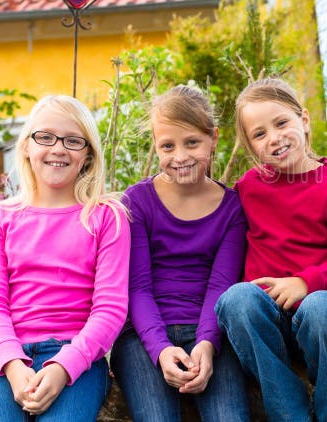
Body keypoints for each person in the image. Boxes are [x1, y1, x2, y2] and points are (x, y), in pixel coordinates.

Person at [215, 78, 327, 422]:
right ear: (251, 146)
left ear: (303, 120)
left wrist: (305, 283)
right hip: (267, 327)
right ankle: (289, 413)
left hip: (321, 325)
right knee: (236, 299)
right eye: (259, 134)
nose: (273, 137)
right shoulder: (248, 189)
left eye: (281, 123)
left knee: (322, 307)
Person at [0, 95, 130, 421]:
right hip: (5, 359)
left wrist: (63, 368)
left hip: (77, 359)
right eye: (45, 137)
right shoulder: (2, 217)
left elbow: (110, 309)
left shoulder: (106, 217)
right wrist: (13, 365)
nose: (58, 149)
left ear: (87, 155)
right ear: (27, 147)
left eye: (73, 141)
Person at [110, 84, 250, 421]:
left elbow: (221, 286)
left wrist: (206, 344)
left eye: (192, 143)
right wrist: (160, 350)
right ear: (156, 146)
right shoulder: (138, 202)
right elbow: (138, 288)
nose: (180, 156)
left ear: (213, 139)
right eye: (167, 146)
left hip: (210, 333)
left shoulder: (232, 209)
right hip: (141, 338)